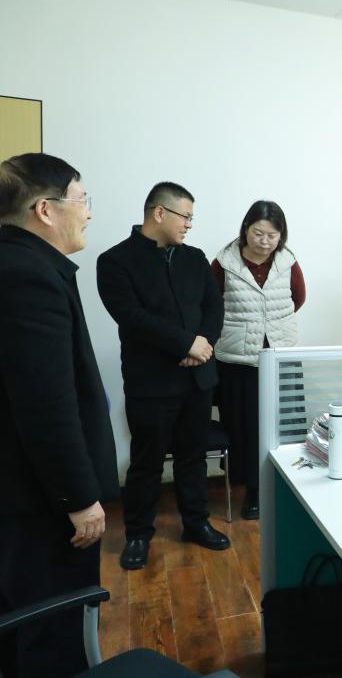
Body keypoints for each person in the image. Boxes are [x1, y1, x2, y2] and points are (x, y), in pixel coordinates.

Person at [0, 153, 119, 676]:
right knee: (51, 632)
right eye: (82, 199)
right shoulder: (27, 276)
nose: (88, 212)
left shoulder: (18, 263)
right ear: (46, 209)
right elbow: (45, 404)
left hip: (25, 494)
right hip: (39, 503)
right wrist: (79, 498)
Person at [97, 181, 229, 571]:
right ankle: (138, 535)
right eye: (185, 216)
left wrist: (204, 344)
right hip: (151, 383)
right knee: (147, 462)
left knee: (193, 457)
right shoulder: (115, 261)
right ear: (160, 212)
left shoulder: (194, 257)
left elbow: (214, 306)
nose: (189, 224)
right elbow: (132, 317)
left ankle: (196, 523)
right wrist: (185, 344)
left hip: (197, 378)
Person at [211, 201, 305, 520]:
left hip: (279, 357)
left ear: (281, 236)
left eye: (272, 236)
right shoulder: (224, 262)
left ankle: (286, 484)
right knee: (246, 428)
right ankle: (253, 490)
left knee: (284, 422)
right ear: (245, 229)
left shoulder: (288, 261)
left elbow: (298, 297)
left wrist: (272, 326)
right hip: (239, 361)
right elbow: (211, 304)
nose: (264, 242)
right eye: (258, 233)